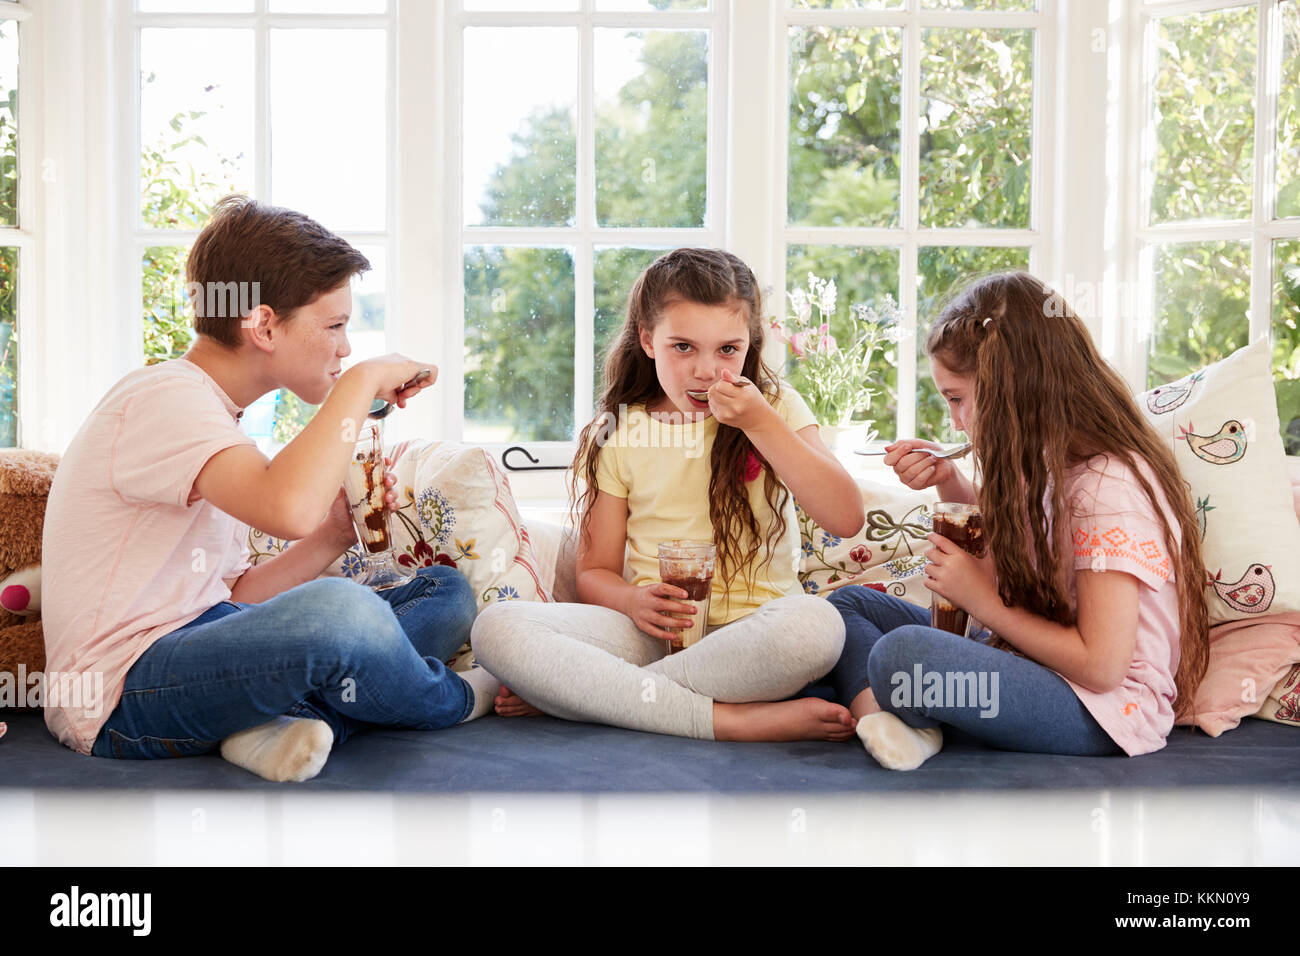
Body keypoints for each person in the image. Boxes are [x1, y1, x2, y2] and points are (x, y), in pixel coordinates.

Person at [42, 195, 495, 782]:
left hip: (206, 645)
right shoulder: (163, 397)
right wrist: (359, 387)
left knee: (442, 591)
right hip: (120, 690)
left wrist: (336, 533)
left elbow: (238, 593)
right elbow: (287, 508)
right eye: (333, 326)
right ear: (262, 325)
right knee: (342, 614)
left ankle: (269, 725)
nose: (346, 347)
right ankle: (457, 700)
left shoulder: (216, 417)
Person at [471, 248, 865, 742]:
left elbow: (845, 516)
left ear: (750, 344)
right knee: (497, 628)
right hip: (653, 636)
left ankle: (587, 698)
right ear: (647, 339)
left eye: (728, 349)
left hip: (754, 634)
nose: (705, 370)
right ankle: (728, 720)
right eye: (683, 347)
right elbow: (594, 573)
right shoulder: (615, 432)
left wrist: (760, 422)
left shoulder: (775, 406)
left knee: (817, 626)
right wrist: (634, 602)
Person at [827, 271, 1210, 770]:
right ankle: (892, 721)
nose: (956, 423)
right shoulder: (1047, 462)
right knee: (847, 605)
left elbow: (1102, 666)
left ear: (1014, 389)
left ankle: (908, 716)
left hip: (1100, 709)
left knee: (901, 657)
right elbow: (1021, 536)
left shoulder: (1106, 490)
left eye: (958, 399)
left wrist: (980, 597)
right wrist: (949, 479)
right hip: (1028, 659)